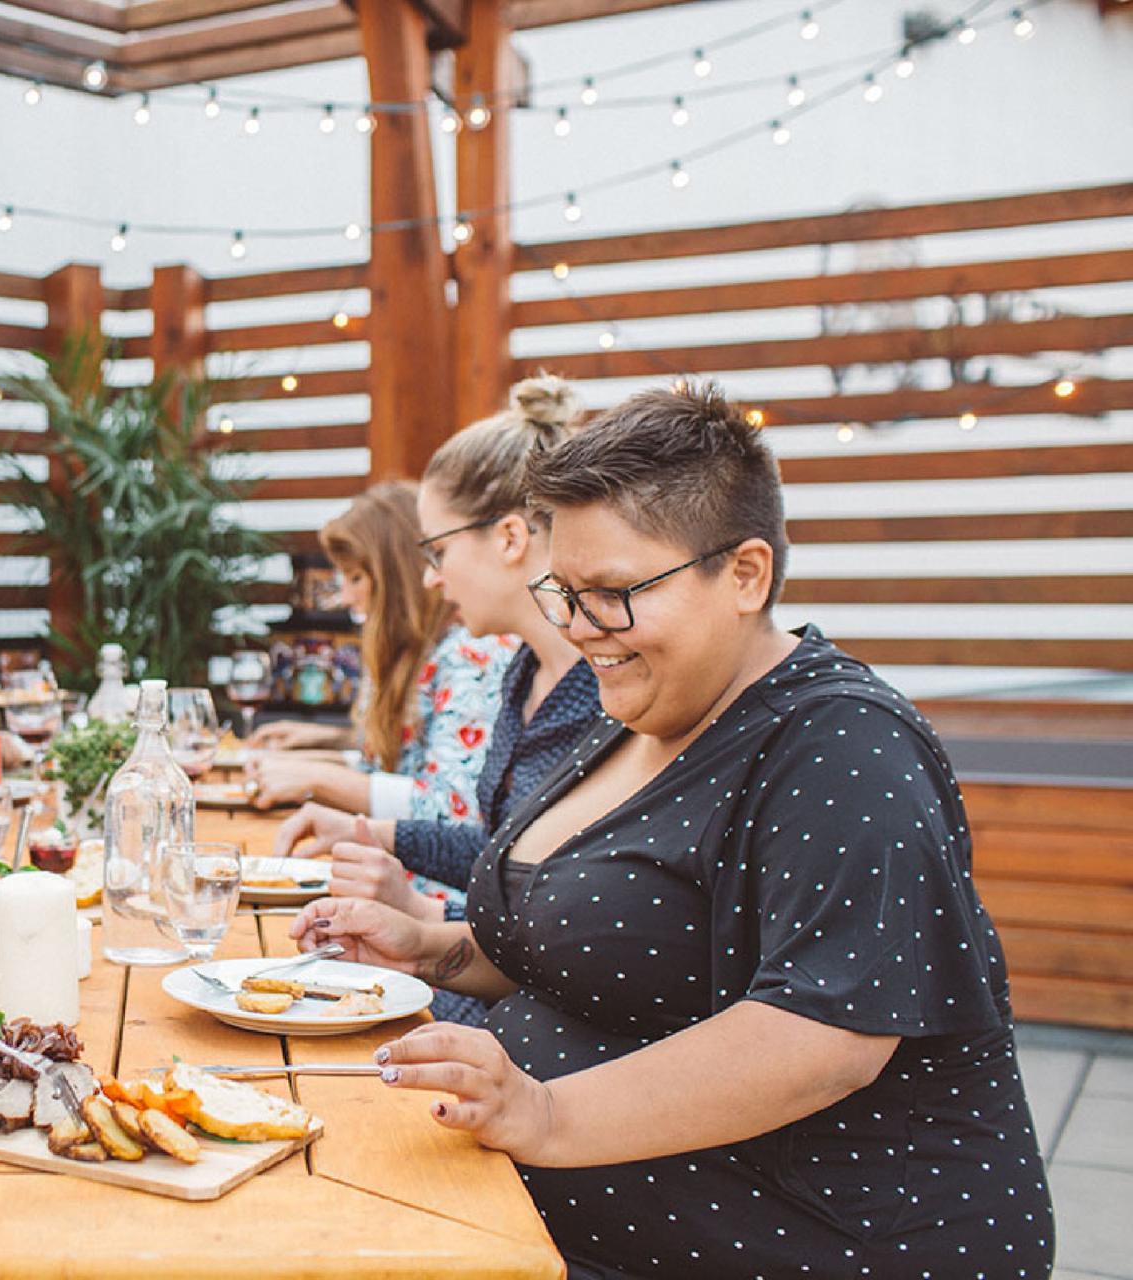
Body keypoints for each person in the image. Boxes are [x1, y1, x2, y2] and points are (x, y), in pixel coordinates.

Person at [293, 382, 1054, 1279]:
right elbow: (616, 948)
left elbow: (820, 1041)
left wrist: (543, 1115)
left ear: (745, 574)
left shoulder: (843, 744)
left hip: (828, 1242)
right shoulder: (637, 715)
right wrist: (430, 949)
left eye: (612, 593)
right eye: (562, 593)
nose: (579, 629)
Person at [273, 377, 599, 1023]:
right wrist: (386, 842)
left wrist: (421, 915)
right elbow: (503, 857)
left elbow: (573, 929)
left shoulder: (602, 689)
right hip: (475, 994)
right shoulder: (526, 672)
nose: (430, 576)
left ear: (509, 538)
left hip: (512, 1032)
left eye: (440, 550)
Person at [245, 482, 508, 823]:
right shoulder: (404, 651)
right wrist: (316, 756)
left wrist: (316, 776)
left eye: (355, 578)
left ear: (397, 579)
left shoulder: (470, 656)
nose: (346, 597)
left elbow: (451, 809)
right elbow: (392, 767)